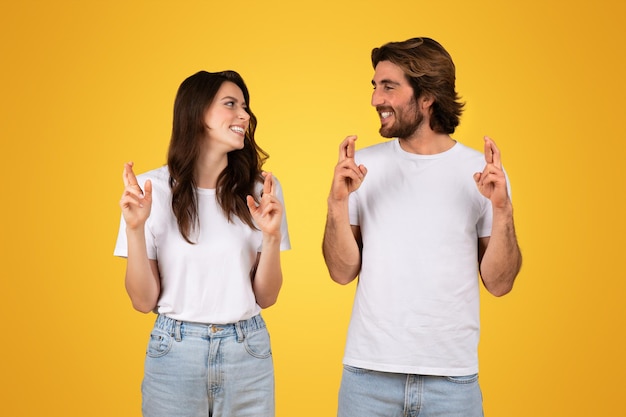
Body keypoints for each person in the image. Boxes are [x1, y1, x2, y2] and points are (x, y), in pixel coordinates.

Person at [322, 37, 522, 417]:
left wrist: (502, 210)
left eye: (389, 87)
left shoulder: (479, 172)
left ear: (427, 97)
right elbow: (341, 271)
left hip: (452, 382)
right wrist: (336, 204)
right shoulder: (362, 168)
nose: (375, 99)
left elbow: (500, 283)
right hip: (368, 377)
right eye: (375, 86)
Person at [114, 70, 290, 417]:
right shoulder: (151, 190)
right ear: (196, 114)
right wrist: (135, 229)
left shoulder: (261, 190)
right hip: (175, 353)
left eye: (245, 106)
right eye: (230, 104)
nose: (245, 116)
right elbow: (142, 300)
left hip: (248, 351)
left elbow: (266, 297)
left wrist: (271, 237)